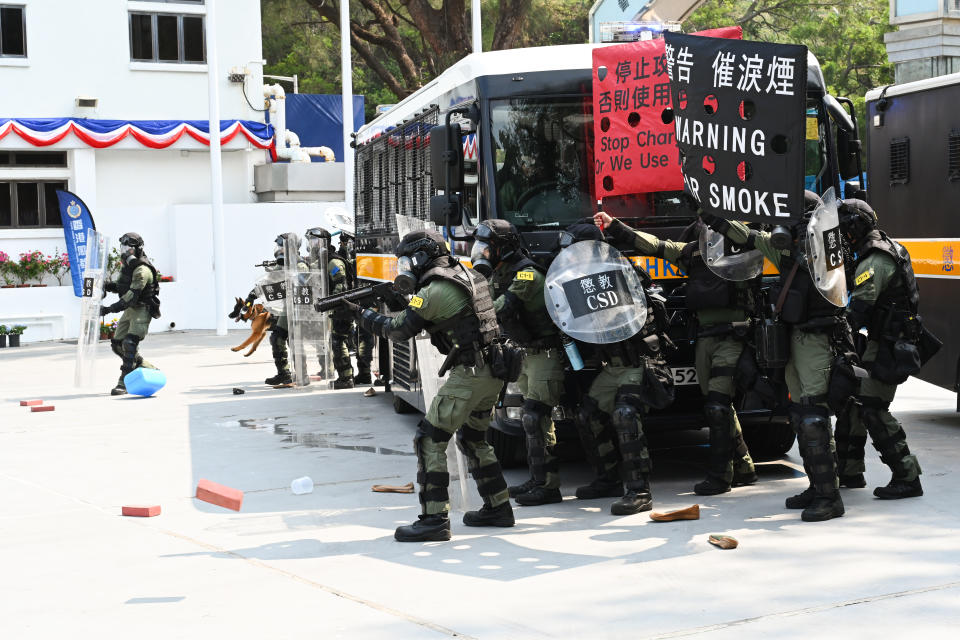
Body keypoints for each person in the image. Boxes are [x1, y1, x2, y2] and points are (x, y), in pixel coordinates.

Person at [346, 230, 514, 542]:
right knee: (474, 438)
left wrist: (364, 317)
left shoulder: (434, 289)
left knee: (429, 439)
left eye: (408, 260)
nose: (406, 267)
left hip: (470, 374)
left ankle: (434, 519)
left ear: (421, 257)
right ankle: (498, 506)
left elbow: (399, 330)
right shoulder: (467, 273)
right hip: (493, 370)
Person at [701, 192, 846, 522]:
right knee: (799, 414)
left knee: (813, 415)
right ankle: (817, 486)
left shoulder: (829, 244)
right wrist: (709, 210)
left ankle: (829, 495)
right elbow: (745, 235)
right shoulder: (785, 247)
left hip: (816, 337)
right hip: (793, 336)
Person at [596, 210, 758, 495]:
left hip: (733, 336)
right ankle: (744, 466)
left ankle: (721, 476)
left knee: (718, 406)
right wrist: (615, 226)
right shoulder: (692, 253)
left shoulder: (745, 249)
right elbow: (653, 244)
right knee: (719, 405)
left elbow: (760, 236)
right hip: (705, 337)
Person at [560, 220, 673, 516]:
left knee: (625, 415)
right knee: (587, 413)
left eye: (574, 251)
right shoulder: (581, 280)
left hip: (636, 362)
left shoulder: (623, 273)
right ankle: (607, 478)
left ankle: (639, 491)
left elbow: (632, 317)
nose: (569, 257)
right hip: (612, 367)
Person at [471, 219, 565, 506]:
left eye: (487, 248)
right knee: (530, 420)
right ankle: (538, 479)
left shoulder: (527, 275)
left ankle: (548, 486)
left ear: (503, 248)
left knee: (536, 417)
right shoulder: (502, 272)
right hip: (525, 354)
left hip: (545, 354)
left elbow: (501, 307)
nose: (482, 253)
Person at [835, 199, 923, 499]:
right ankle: (849, 471)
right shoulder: (880, 248)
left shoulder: (875, 258)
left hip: (888, 346)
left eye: (844, 230)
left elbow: (859, 307)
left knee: (873, 408)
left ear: (854, 228)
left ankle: (907, 476)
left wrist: (834, 330)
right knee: (854, 403)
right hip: (882, 340)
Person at [100, 232, 160, 396]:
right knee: (117, 344)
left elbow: (130, 297)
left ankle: (124, 383)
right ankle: (145, 366)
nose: (125, 251)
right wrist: (105, 285)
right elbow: (121, 287)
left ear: (138, 250)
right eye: (123, 247)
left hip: (142, 308)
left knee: (129, 343)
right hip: (130, 309)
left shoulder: (142, 270)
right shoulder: (128, 268)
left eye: (129, 248)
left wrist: (108, 309)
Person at [305, 227, 354, 389]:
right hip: (332, 310)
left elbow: (342, 287)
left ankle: (346, 378)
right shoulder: (322, 261)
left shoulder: (334, 261)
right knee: (335, 342)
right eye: (310, 241)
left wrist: (329, 304)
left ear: (322, 242)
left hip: (341, 309)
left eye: (314, 241)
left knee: (338, 342)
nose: (311, 244)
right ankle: (344, 375)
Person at [336, 230, 376, 385]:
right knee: (360, 337)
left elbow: (352, 266)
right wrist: (343, 247)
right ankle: (364, 373)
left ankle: (365, 373)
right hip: (360, 301)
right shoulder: (359, 257)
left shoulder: (366, 258)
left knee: (364, 339)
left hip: (368, 302)